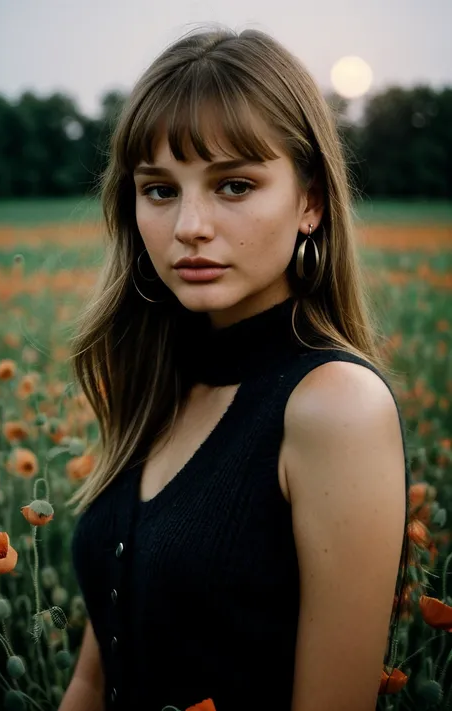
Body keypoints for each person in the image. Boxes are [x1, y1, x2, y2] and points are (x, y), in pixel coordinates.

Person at [61, 25, 417, 711]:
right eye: (160, 190)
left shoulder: (335, 406)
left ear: (309, 201)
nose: (190, 224)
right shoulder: (159, 380)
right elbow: (90, 681)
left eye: (233, 184)